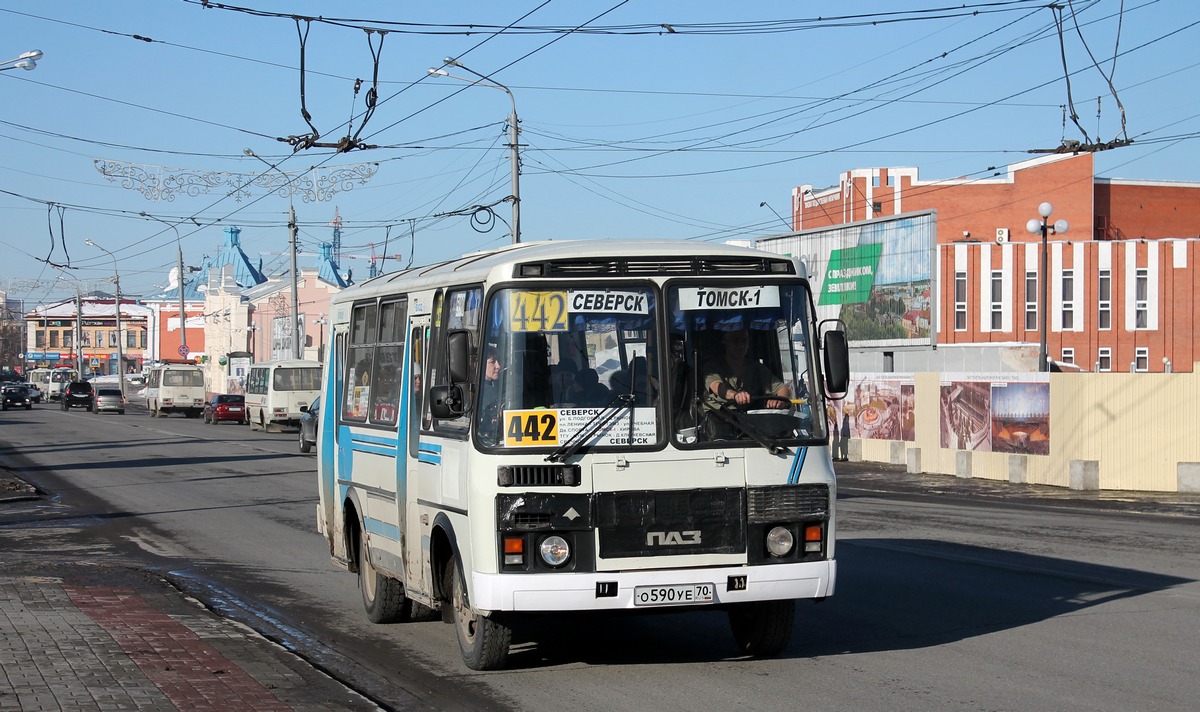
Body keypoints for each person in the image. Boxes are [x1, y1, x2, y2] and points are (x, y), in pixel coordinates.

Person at [702, 329, 790, 412]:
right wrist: (735, 395)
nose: (741, 346)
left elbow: (783, 389)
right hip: (718, 418)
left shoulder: (756, 368)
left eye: (744, 341)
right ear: (726, 343)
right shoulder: (712, 367)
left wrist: (780, 401)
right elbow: (718, 387)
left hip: (748, 421)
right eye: (735, 341)